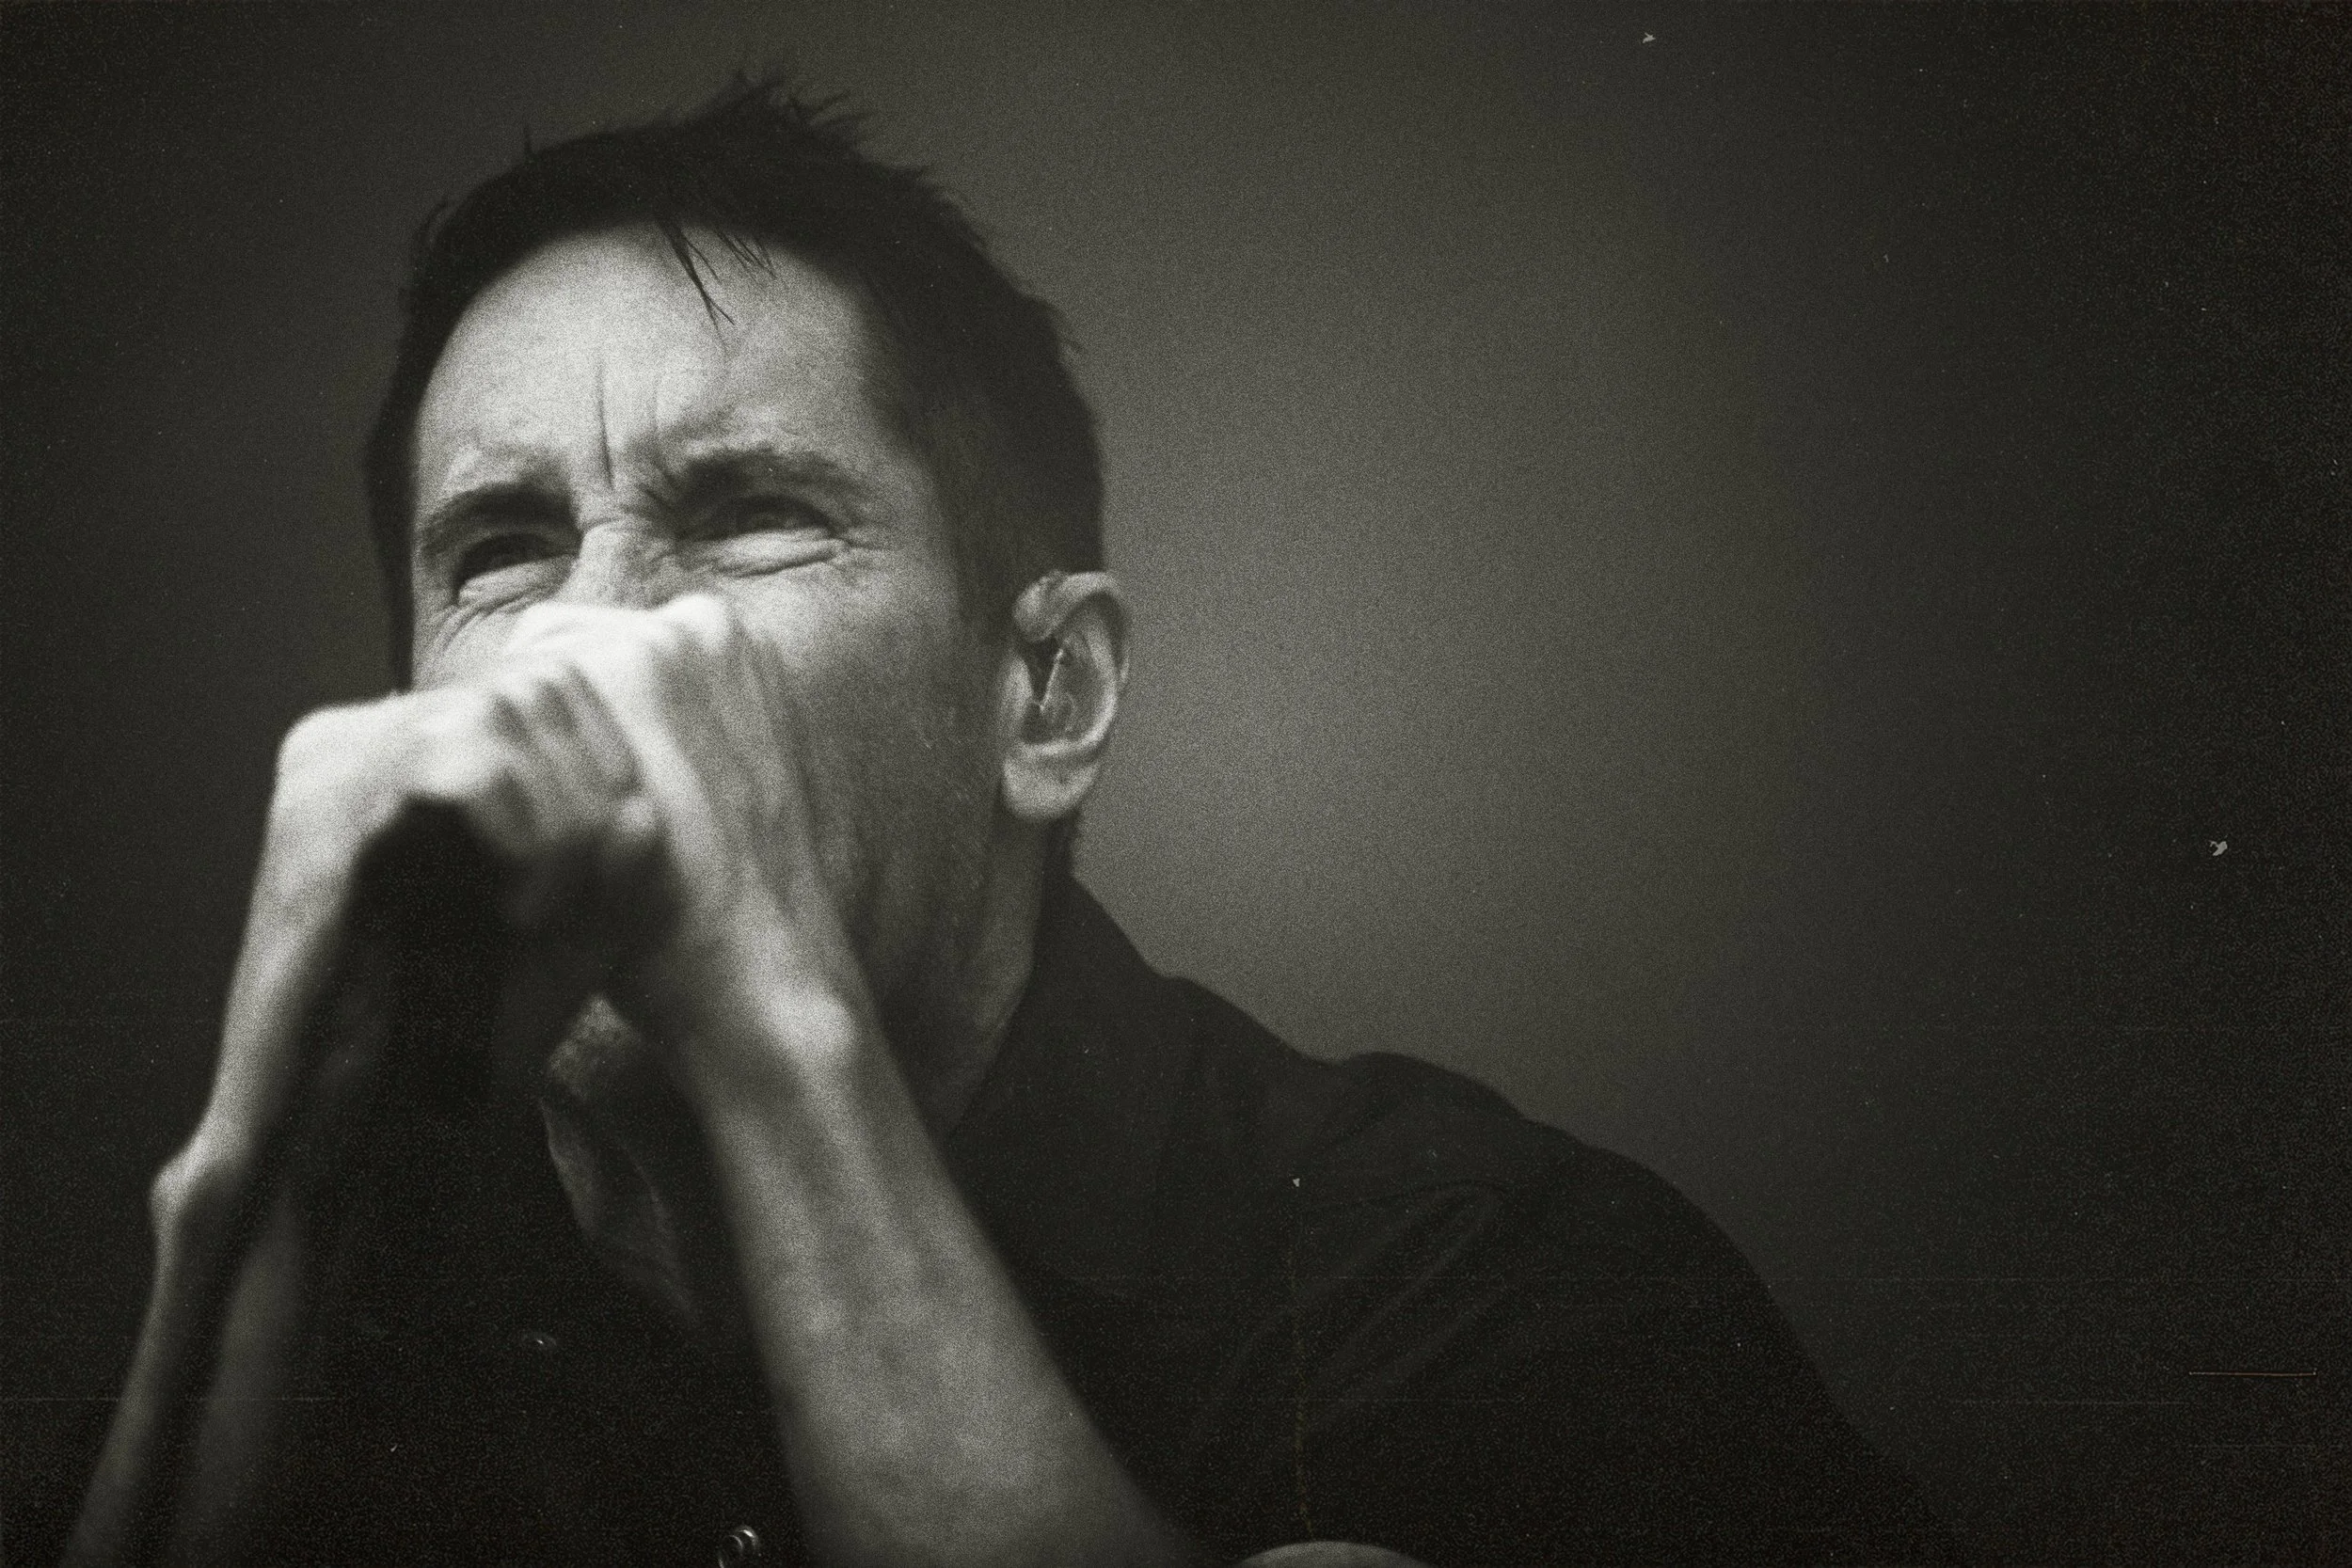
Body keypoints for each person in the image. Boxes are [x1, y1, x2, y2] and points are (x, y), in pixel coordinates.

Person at [71, 83, 1950, 1567]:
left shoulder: (1482, 1280)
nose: (595, 635)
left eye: (748, 516)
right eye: (500, 548)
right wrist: (266, 1186)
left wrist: (769, 1018)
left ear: (1047, 696)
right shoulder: (325, 1328)